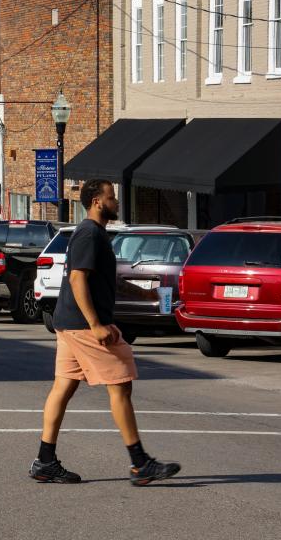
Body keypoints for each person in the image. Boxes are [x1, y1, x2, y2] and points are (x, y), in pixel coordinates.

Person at [28, 179, 181, 487]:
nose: (117, 202)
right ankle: (140, 464)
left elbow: (96, 281)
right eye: (112, 197)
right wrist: (96, 324)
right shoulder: (89, 233)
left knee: (63, 388)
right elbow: (77, 280)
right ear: (98, 202)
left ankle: (44, 461)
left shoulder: (95, 234)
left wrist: (136, 292)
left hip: (69, 322)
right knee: (121, 384)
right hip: (83, 325)